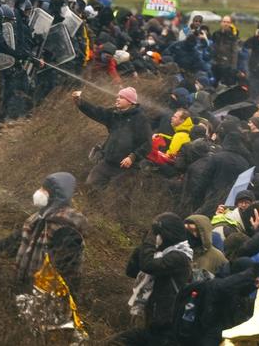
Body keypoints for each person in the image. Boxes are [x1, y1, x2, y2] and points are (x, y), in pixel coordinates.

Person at [0, 172, 87, 293]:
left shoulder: (65, 228)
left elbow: (67, 273)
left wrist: (55, 299)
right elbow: (13, 240)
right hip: (25, 288)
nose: (39, 192)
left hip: (44, 295)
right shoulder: (37, 219)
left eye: (45, 189)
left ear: (56, 194)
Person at [109, 212, 193, 345]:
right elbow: (132, 271)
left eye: (158, 233)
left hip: (168, 327)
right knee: (119, 341)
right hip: (153, 322)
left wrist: (149, 241)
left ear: (167, 234)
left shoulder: (180, 257)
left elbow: (149, 266)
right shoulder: (159, 254)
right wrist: (144, 246)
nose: (156, 237)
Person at [73, 87, 152, 188]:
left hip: (127, 169)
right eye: (118, 96)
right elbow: (96, 111)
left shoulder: (141, 119)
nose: (117, 99)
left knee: (114, 195)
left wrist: (132, 157)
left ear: (130, 102)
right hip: (107, 162)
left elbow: (147, 144)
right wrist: (80, 103)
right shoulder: (114, 114)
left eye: (122, 97)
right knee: (90, 186)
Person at [211, 15, 239, 87]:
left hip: (227, 66)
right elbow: (212, 48)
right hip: (215, 64)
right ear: (221, 23)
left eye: (227, 22)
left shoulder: (233, 37)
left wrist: (233, 67)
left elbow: (234, 53)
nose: (225, 24)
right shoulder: (216, 34)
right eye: (224, 22)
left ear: (230, 24)